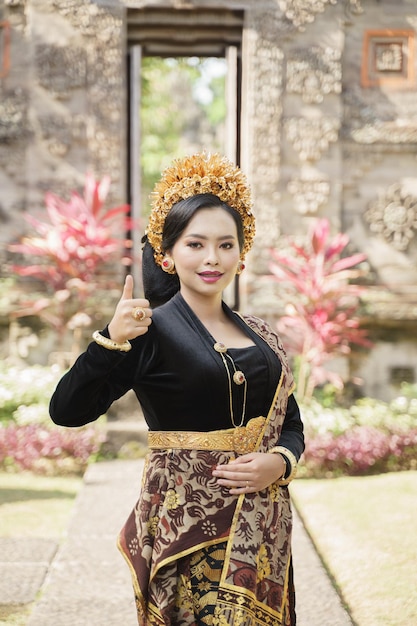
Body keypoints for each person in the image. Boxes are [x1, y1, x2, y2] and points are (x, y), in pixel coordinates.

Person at [50, 153, 304, 626]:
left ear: (241, 253)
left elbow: (289, 421)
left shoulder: (261, 336)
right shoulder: (150, 332)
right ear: (167, 253)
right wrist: (111, 340)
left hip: (264, 534)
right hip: (187, 532)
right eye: (196, 244)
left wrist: (280, 462)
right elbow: (67, 410)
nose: (212, 258)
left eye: (226, 245)